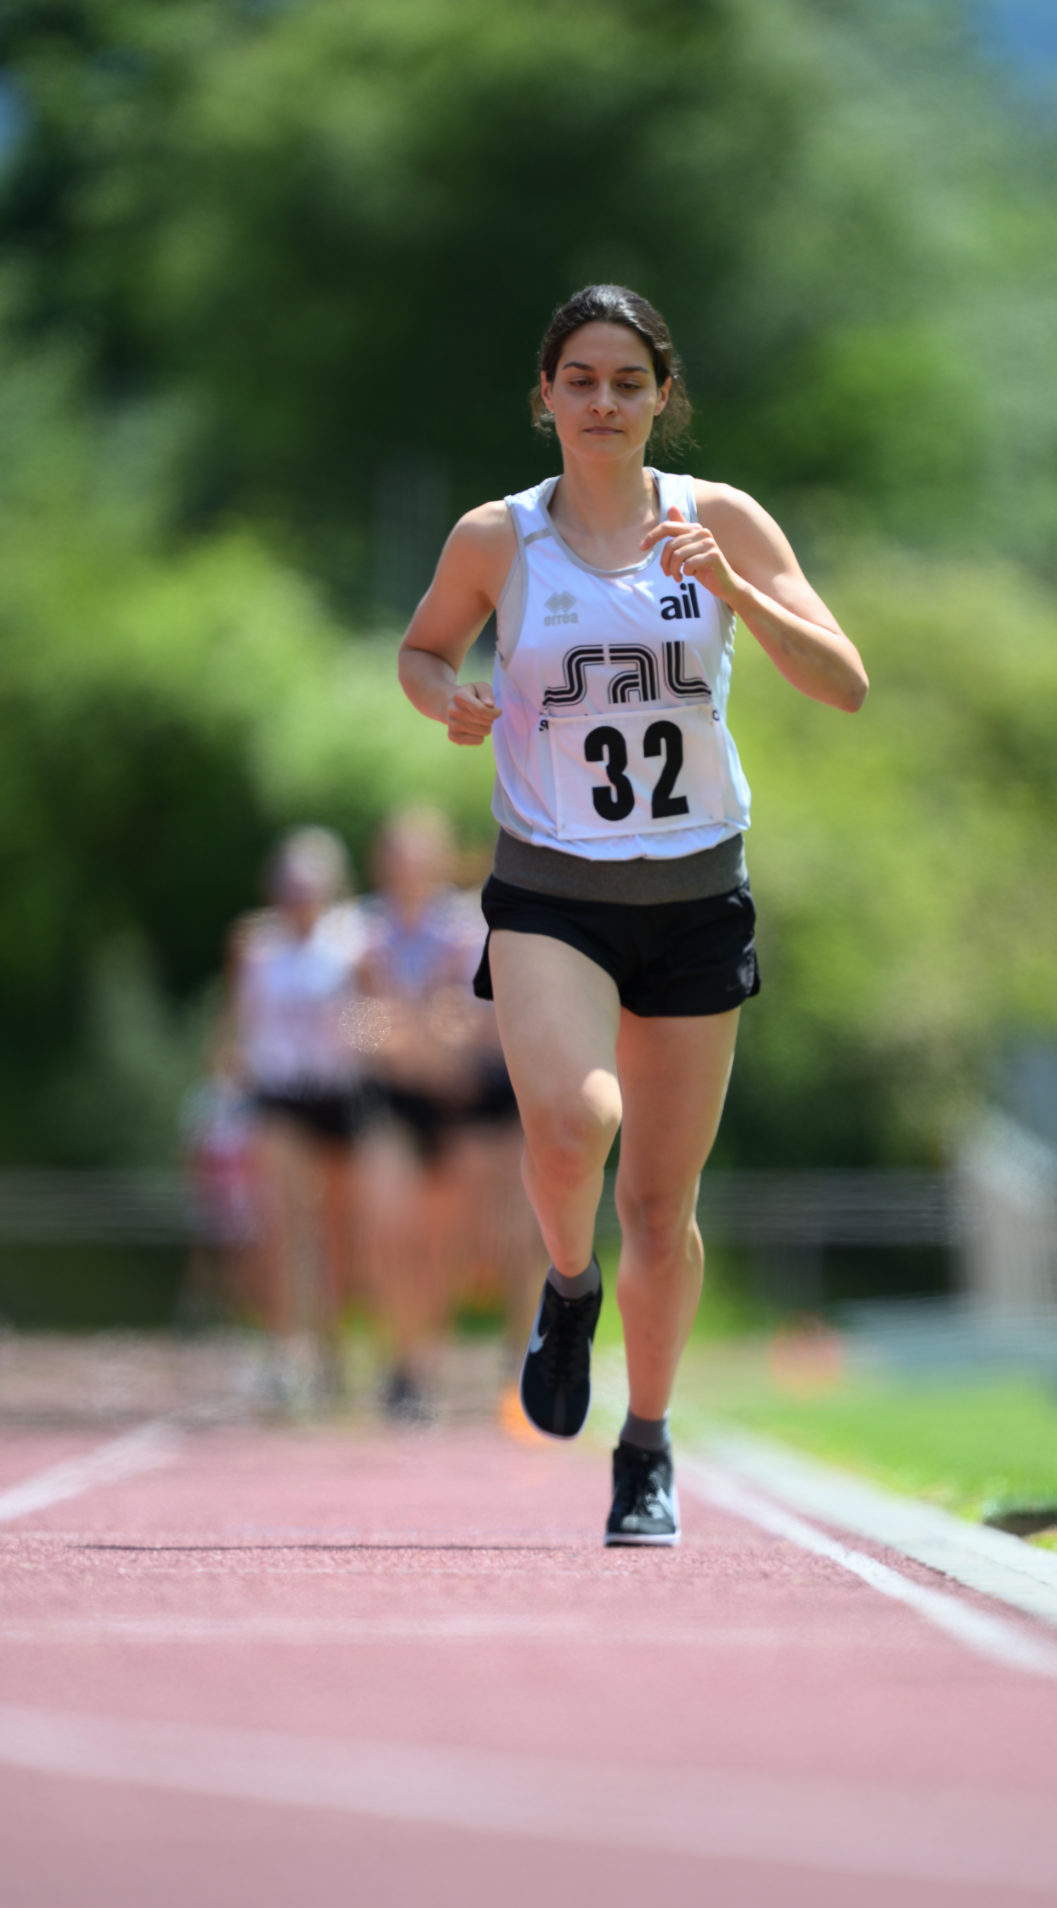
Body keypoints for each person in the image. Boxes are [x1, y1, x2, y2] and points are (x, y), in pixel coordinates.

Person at [397, 284, 868, 1543]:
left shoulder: (719, 523)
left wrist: (740, 593)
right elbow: (423, 647)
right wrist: (442, 695)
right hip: (549, 884)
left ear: (662, 398)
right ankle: (565, 1285)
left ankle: (644, 1450)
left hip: (695, 893)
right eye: (580, 380)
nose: (602, 402)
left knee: (663, 1204)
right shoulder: (498, 539)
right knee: (573, 1118)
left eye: (626, 381)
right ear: (543, 396)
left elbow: (843, 683)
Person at [357, 808, 542, 1421]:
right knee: (394, 1231)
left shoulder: (471, 928)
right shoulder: (361, 934)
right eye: (397, 859)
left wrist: (422, 1034)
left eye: (420, 858)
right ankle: (406, 1361)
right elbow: (354, 1024)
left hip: (473, 1105)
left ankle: (487, 1361)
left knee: (473, 1240)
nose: (408, 871)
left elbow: (482, 1021)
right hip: (400, 1100)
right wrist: (411, 1036)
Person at [228, 826, 368, 1409]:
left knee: (334, 1233)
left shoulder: (356, 942)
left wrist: (363, 1041)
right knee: (283, 1226)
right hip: (279, 1094)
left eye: (310, 887)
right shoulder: (254, 945)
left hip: (337, 1095)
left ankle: (331, 1347)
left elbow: (374, 1020)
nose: (299, 898)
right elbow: (239, 1017)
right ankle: (286, 1353)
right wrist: (227, 1083)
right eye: (290, 886)